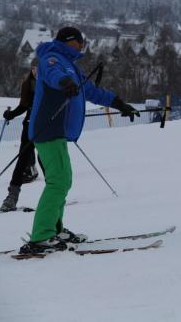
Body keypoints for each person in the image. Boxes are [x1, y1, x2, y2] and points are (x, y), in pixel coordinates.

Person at [19, 26, 140, 255]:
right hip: (48, 129)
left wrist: (119, 103)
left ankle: (55, 229)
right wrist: (65, 83)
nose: (82, 45)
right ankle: (42, 236)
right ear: (69, 41)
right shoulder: (52, 58)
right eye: (80, 41)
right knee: (59, 182)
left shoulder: (70, 64)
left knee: (63, 180)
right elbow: (54, 75)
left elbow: (91, 91)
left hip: (58, 132)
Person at [0, 61, 45, 212]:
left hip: (46, 126)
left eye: (39, 69)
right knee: (22, 160)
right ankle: (11, 198)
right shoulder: (28, 84)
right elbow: (24, 106)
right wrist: (11, 115)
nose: (36, 72)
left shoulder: (49, 83)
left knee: (45, 158)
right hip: (29, 125)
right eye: (34, 69)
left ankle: (55, 194)